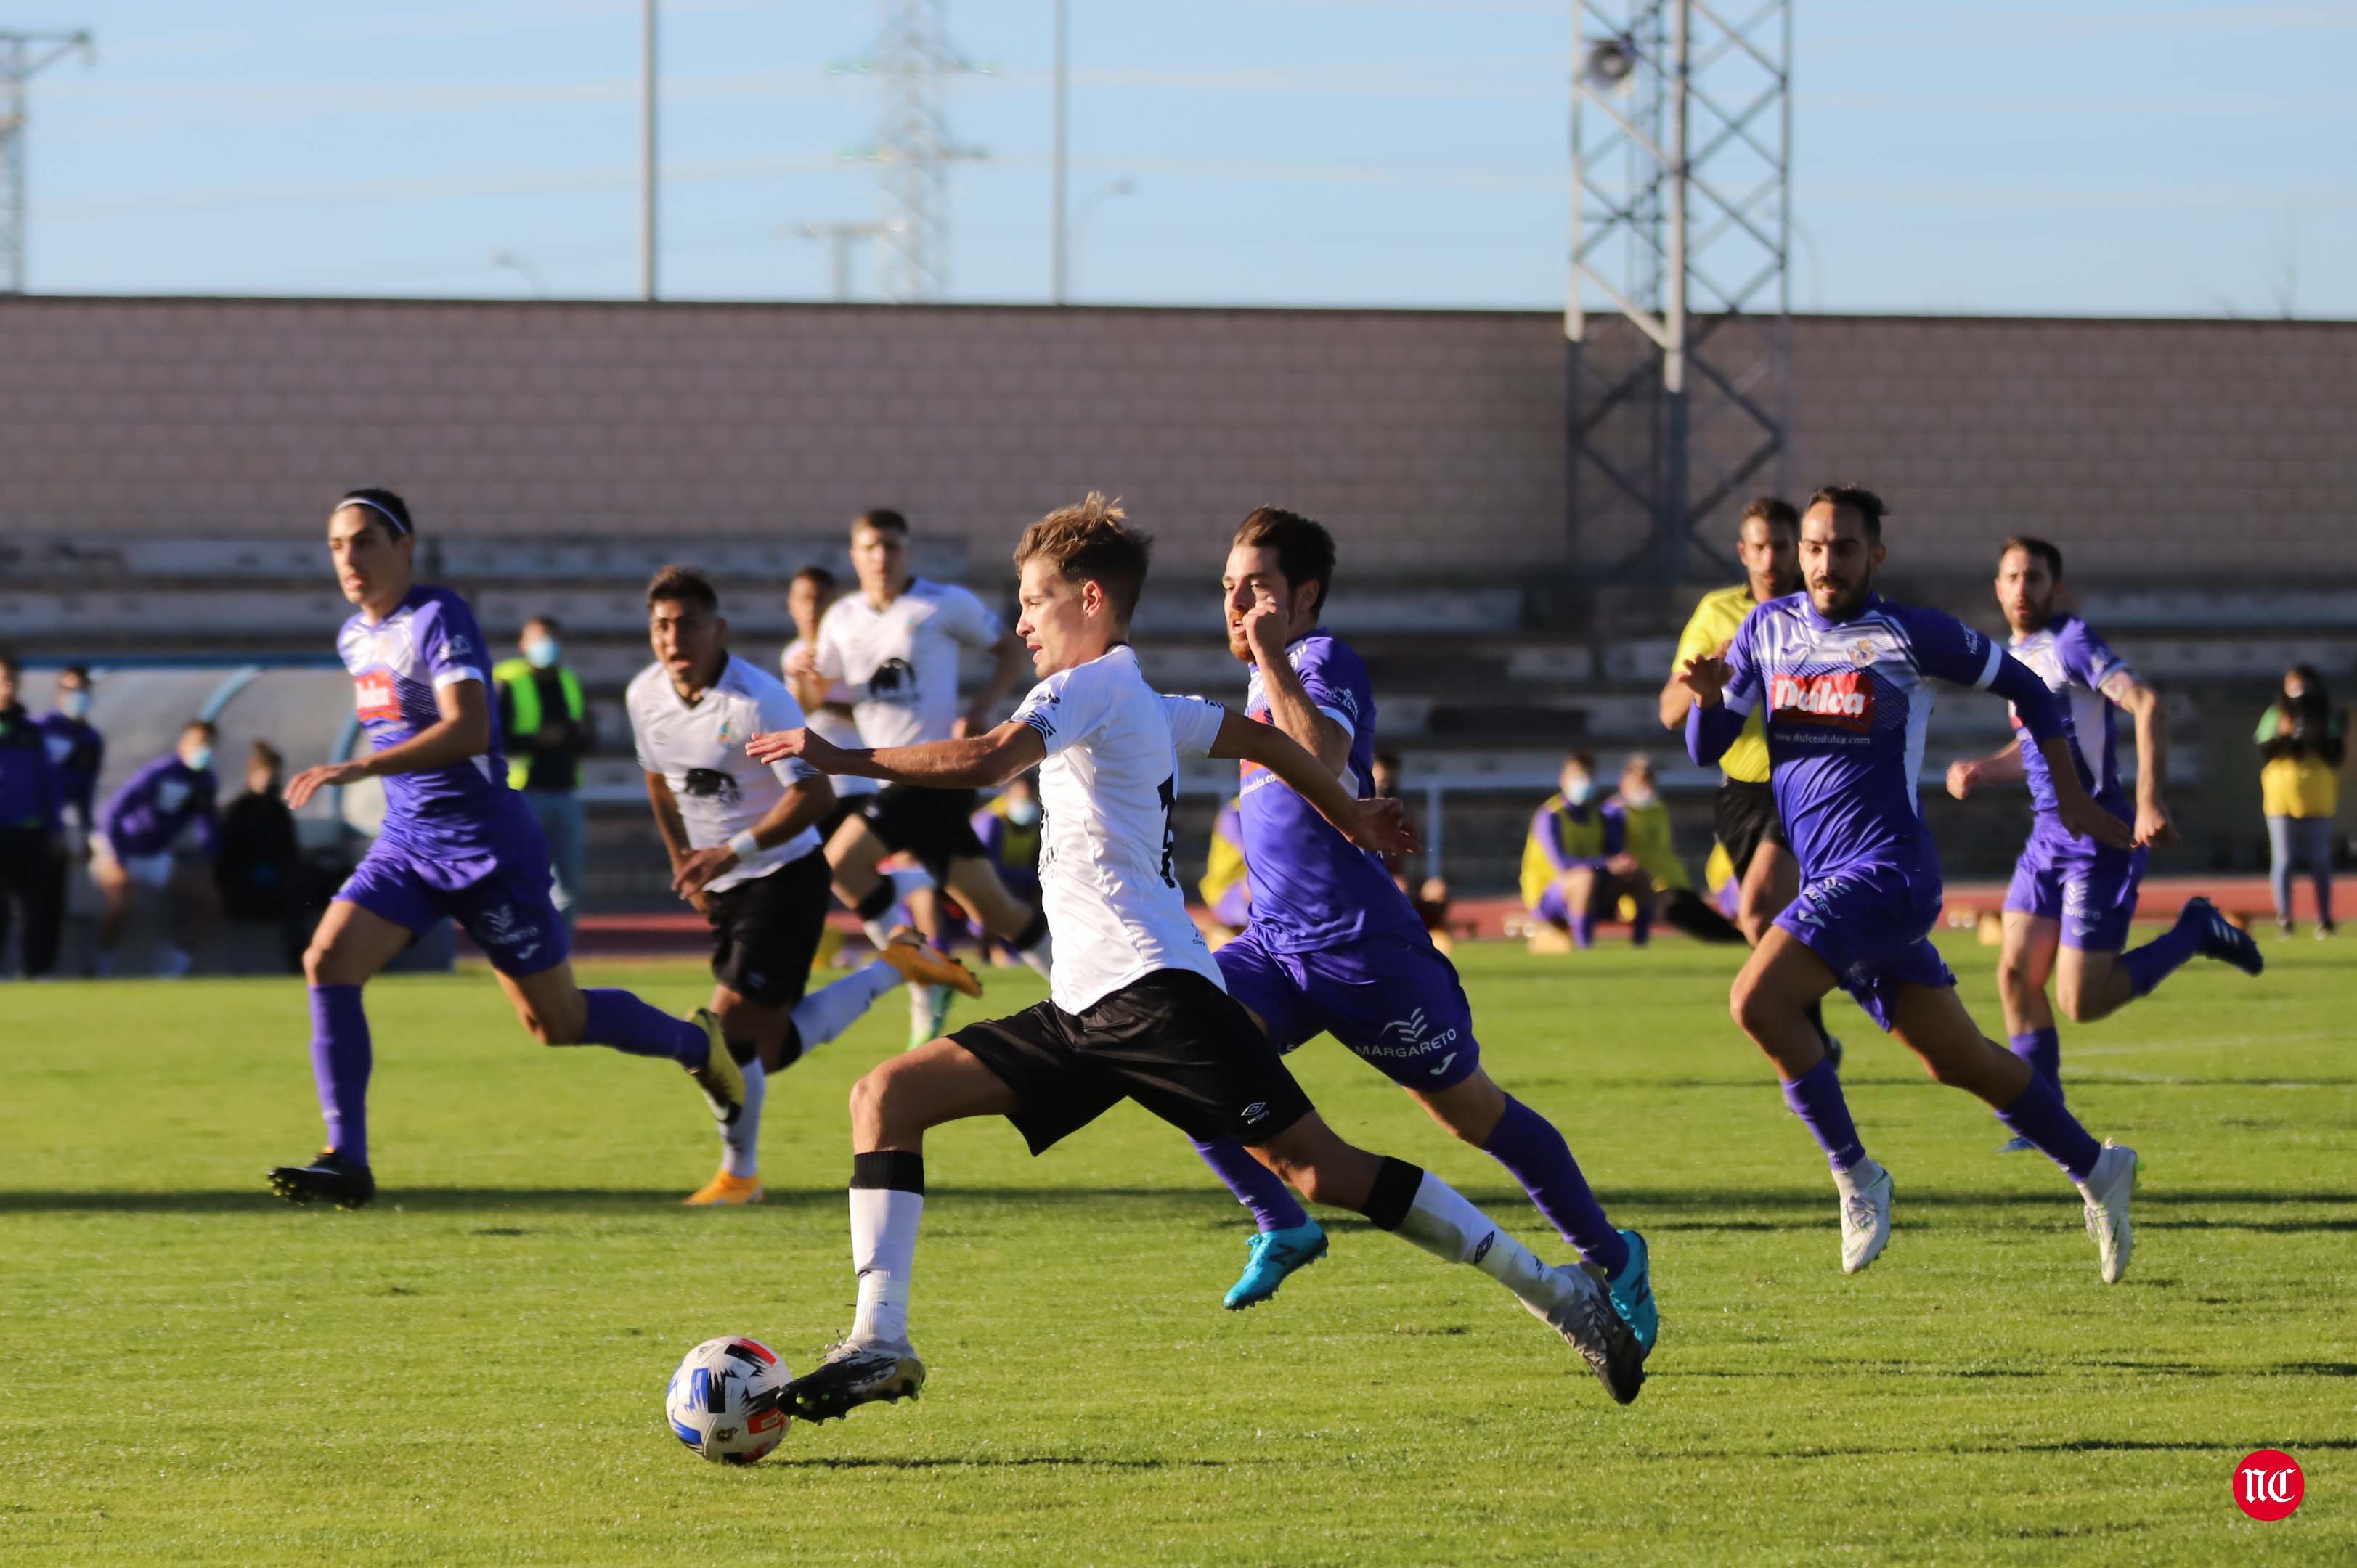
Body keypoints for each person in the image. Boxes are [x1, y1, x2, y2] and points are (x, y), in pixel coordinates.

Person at [746, 495, 1644, 1422]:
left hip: (1158, 998)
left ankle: (1558, 1293)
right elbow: (1256, 740)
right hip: (1087, 1008)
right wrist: (1352, 811)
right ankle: (880, 1340)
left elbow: (985, 758)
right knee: (885, 1098)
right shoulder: (1137, 698)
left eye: (1034, 600)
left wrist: (837, 756)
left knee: (1323, 1171)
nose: (1019, 622)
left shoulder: (1085, 689)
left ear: (1090, 601)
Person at [1154, 507, 1654, 1365]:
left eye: (1258, 587)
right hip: (1275, 942)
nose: (1237, 603)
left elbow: (1329, 757)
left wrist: (1272, 655)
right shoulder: (1260, 677)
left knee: (1472, 1115)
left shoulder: (1319, 659)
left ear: (1304, 595)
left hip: (1361, 952)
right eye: (1229, 587)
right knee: (1176, 1045)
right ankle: (1283, 1221)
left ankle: (1615, 1258)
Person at [1680, 485, 2162, 1283]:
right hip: (1838, 880)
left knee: (1756, 1001)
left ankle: (1856, 1176)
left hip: (1888, 873)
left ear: (1876, 554)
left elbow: (2033, 690)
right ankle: (2098, 1168)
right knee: (1962, 1060)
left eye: (1842, 548)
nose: (1824, 562)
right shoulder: (1767, 629)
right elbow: (1709, 746)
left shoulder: (1908, 634)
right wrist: (1704, 702)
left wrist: (2073, 798)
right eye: (1813, 547)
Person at [267, 489, 749, 1210]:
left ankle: (698, 1046)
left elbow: (467, 730)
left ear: (406, 545)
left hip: (488, 847)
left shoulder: (438, 617)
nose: (350, 558)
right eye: (338, 545)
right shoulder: (353, 637)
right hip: (409, 844)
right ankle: (348, 1158)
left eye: (366, 541)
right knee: (328, 960)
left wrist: (362, 767)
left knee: (556, 1023)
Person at [627, 566, 982, 1206]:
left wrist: (727, 851)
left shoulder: (757, 698)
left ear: (718, 630)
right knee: (767, 1050)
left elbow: (814, 796)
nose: (673, 638)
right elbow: (658, 781)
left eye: (687, 624)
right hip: (725, 884)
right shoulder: (644, 696)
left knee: (720, 1037)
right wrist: (687, 858)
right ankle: (895, 966)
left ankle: (741, 1176)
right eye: (661, 626)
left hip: (783, 876)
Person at [1948, 537, 2261, 1151]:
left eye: (2033, 578)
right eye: (2011, 577)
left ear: (2054, 588)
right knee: (2014, 975)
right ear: (1997, 587)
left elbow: (2147, 705)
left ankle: (2194, 930)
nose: (2021, 589)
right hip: (2046, 834)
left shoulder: (2072, 643)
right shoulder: (2016, 655)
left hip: (2096, 834)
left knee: (2081, 1002)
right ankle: (2043, 1118)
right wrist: (1986, 768)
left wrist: (2149, 799)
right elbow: (2038, 748)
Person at [786, 513, 1049, 1046]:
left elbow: (1006, 650)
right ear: (855, 556)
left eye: (891, 545)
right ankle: (1089, 992)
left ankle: (915, 962)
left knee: (840, 864)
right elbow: (822, 700)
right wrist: (807, 681)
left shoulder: (940, 603)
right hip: (889, 778)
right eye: (870, 547)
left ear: (907, 552)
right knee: (992, 907)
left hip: (935, 769)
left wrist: (980, 709)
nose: (881, 556)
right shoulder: (844, 619)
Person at [1660, 497, 1843, 1063]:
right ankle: (1815, 1041)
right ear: (1742, 552)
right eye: (1759, 546)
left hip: (1807, 781)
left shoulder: (1821, 610)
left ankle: (1807, 1040)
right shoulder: (1718, 613)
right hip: (1741, 791)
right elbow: (1669, 712)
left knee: (1762, 910)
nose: (1770, 558)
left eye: (1782, 546)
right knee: (1764, 922)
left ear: (1801, 550)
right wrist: (1708, 676)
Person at [94, 719, 221, 979]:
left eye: (209, 744)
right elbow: (112, 814)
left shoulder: (206, 781)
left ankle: (171, 967)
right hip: (122, 850)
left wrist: (210, 859)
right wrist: (117, 856)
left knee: (209, 901)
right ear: (183, 744)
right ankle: (101, 967)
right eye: (198, 743)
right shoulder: (159, 772)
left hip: (155, 855)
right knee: (120, 904)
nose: (203, 749)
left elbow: (206, 824)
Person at [494, 615, 592, 940]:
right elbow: (491, 738)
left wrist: (569, 737)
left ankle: (559, 955)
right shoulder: (508, 681)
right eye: (537, 638)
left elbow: (589, 738)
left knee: (569, 883)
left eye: (550, 638)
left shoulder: (569, 682)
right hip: (524, 792)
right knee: (529, 877)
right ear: (523, 644)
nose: (545, 646)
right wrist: (538, 740)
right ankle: (524, 947)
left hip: (564, 791)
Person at [1520, 751, 1649, 947]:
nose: (1584, 782)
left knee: (1640, 876)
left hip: (1594, 888)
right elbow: (1562, 864)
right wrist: (1607, 864)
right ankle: (1584, 947)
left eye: (1588, 776)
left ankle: (1641, 945)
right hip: (1548, 894)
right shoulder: (1550, 816)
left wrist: (1624, 863)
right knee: (1584, 878)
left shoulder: (1599, 817)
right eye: (1577, 776)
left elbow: (1615, 854)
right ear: (1563, 780)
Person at [1614, 753, 1746, 945]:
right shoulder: (1615, 813)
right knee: (1677, 908)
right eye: (1640, 782)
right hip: (1647, 889)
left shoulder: (1658, 809)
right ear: (1625, 782)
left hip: (1674, 883)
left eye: (1648, 781)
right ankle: (1735, 940)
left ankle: (1737, 939)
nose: (1645, 788)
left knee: (1696, 908)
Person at [2255, 663, 2343, 937]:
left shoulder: (2325, 715)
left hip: (2317, 796)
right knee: (2283, 860)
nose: (2299, 690)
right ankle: (2285, 919)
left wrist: (2319, 737)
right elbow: (2264, 748)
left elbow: (2335, 753)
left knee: (2320, 860)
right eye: (2294, 683)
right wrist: (2284, 735)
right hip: (2281, 797)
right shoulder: (2276, 713)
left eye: (2303, 683)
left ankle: (2325, 919)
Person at [0, 648, 68, 978]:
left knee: (38, 909)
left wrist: (55, 829)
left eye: (11, 682)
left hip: (29, 833)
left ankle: (37, 973)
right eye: (1, 682)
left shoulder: (31, 733)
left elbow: (48, 784)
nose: (7, 689)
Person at [214, 740, 304, 965]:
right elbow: (227, 858)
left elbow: (290, 852)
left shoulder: (279, 811)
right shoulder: (238, 811)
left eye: (276, 775)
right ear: (252, 776)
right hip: (245, 888)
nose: (273, 781)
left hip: (281, 884)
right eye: (267, 774)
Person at [1370, 751, 1451, 936]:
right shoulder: (1357, 814)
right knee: (1400, 887)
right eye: (1382, 783)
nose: (1387, 788)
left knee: (1438, 889)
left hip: (1402, 885)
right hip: (1374, 886)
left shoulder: (1402, 813)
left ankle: (1430, 937)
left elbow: (1411, 858)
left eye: (1391, 783)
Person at [1197, 794, 1252, 938]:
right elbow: (1258, 858)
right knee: (1261, 881)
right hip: (1225, 893)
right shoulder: (1234, 814)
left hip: (1247, 889)